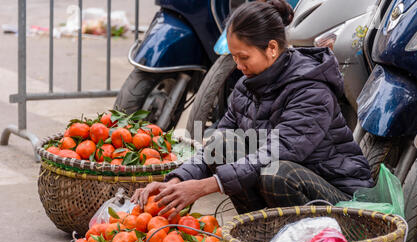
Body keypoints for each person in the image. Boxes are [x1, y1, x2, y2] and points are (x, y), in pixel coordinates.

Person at [131, 0, 374, 219]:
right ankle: (264, 233)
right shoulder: (246, 87)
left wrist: (204, 186)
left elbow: (278, 153)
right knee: (224, 143)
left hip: (341, 199)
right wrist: (177, 179)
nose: (238, 65)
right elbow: (215, 150)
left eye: (243, 57)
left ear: (271, 48)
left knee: (277, 174)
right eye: (234, 57)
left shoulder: (310, 90)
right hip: (290, 183)